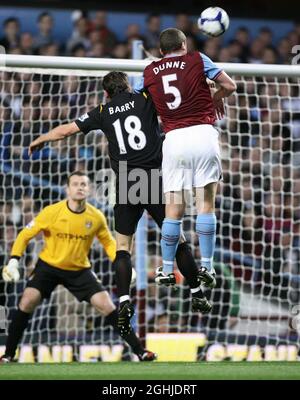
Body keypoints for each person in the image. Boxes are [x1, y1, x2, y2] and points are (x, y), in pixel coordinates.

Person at [28, 71, 212, 335]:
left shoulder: (102, 110)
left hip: (127, 182)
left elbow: (67, 130)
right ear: (127, 85)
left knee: (123, 247)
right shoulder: (145, 97)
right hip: (154, 178)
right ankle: (196, 292)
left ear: (106, 92)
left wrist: (42, 138)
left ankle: (124, 300)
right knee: (176, 238)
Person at [0, 171, 156, 363]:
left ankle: (140, 351)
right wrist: (14, 260)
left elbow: (109, 243)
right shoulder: (52, 212)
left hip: (79, 269)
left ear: (89, 189)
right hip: (49, 266)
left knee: (106, 305)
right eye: (75, 184)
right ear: (68, 189)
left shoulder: (96, 217)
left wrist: (125, 266)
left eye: (83, 184)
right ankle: (8, 354)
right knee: (27, 300)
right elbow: (25, 235)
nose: (80, 187)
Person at [142, 28, 236, 287]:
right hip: (203, 135)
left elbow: (143, 103)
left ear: (161, 51)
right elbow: (230, 85)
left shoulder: (150, 70)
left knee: (173, 209)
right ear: (184, 44)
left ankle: (167, 269)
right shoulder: (197, 59)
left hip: (174, 140)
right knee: (205, 203)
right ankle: (207, 265)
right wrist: (214, 97)